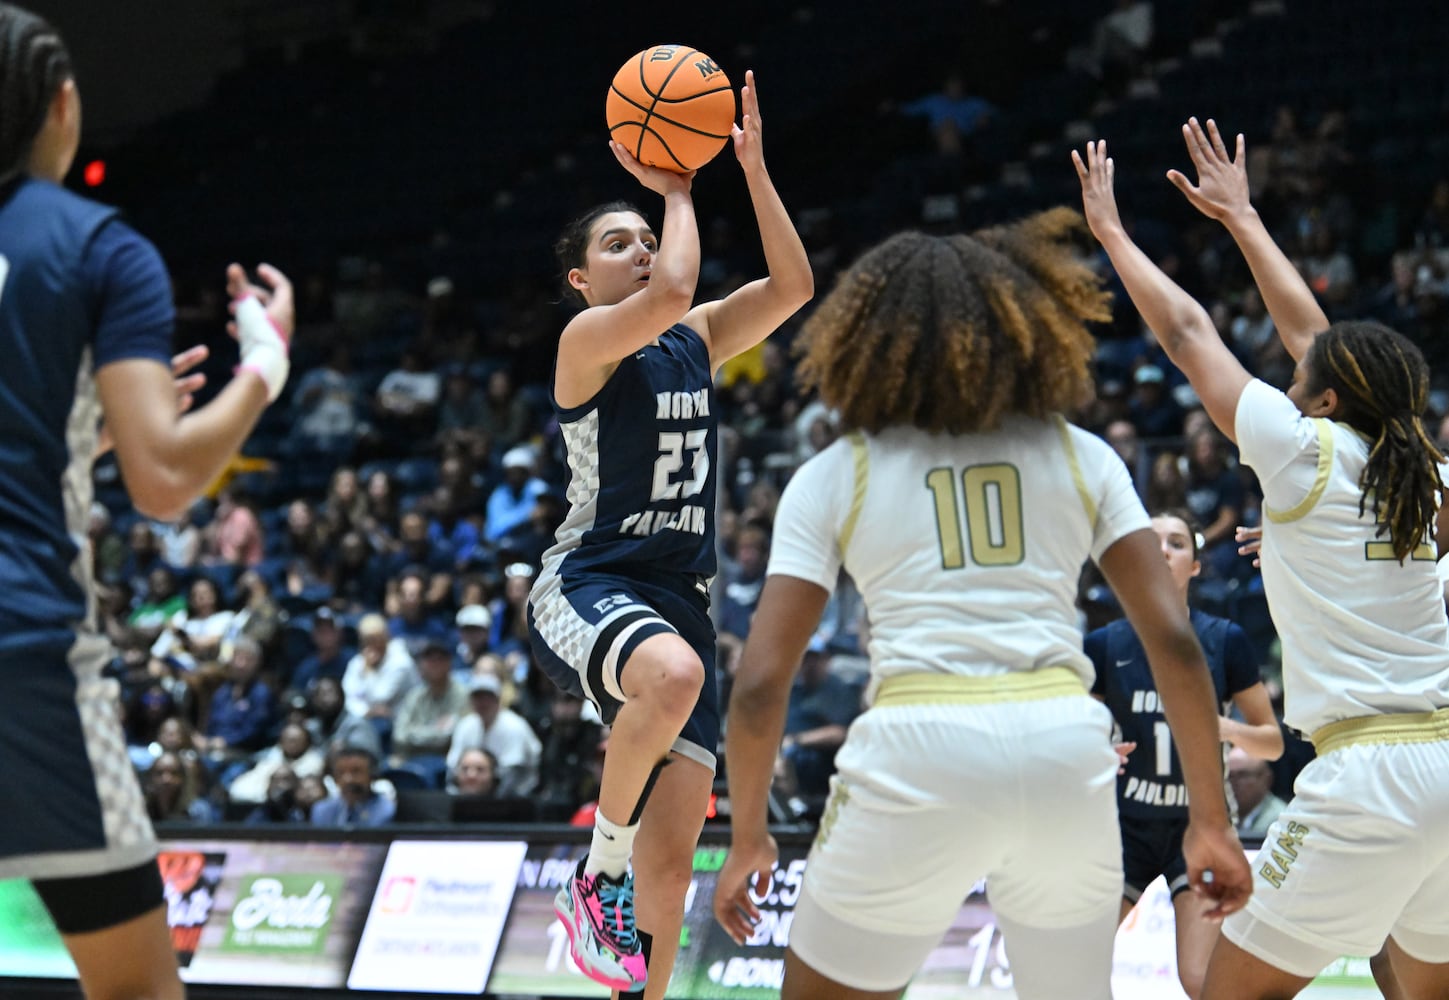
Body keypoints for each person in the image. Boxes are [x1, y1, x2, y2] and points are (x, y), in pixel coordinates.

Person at [712, 210, 1249, 1000]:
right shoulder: (1080, 453)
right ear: (1018, 328)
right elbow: (1173, 645)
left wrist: (748, 835)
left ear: (866, 340)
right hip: (1063, 746)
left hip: (915, 746)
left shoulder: (838, 471)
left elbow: (760, 686)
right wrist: (1211, 815)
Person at [1076, 120, 1449, 1000]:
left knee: (1227, 995)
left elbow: (1187, 332)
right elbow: (1322, 341)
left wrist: (1114, 236)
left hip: (1369, 776)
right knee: (1412, 980)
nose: (1286, 383)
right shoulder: (1426, 470)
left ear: (1324, 399)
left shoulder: (1304, 451)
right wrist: (1242, 220)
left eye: (1300, 381)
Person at [0, 8, 295, 1000]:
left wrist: (82, 427)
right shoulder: (94, 245)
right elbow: (164, 481)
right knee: (135, 989)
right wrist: (263, 362)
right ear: (64, 106)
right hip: (22, 655)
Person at [527, 70, 813, 995]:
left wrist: (755, 170)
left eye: (649, 239)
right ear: (581, 282)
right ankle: (592, 874)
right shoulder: (585, 347)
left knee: (675, 853)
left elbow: (794, 285)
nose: (644, 252)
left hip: (678, 599)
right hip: (590, 579)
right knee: (676, 679)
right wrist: (680, 187)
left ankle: (631, 938)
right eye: (620, 245)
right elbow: (675, 284)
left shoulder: (691, 337)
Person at [1086, 509, 1284, 999]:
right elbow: (1074, 737)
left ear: (1194, 566)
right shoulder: (1102, 645)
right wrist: (1095, 752)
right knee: (1075, 969)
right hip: (1120, 826)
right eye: (1151, 543)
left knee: (1202, 980)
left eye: (1176, 543)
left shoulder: (1224, 640)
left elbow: (1272, 742)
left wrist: (1218, 726)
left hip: (1200, 824)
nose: (1163, 551)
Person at [445, 673, 541, 797]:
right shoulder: (465, 725)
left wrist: (491, 804)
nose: (482, 702)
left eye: (487, 697)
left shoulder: (514, 726)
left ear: (498, 699)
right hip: (478, 792)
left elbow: (512, 774)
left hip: (519, 793)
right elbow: (453, 768)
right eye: (477, 697)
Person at [310, 746, 395, 827]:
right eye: (341, 772)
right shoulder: (322, 810)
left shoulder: (386, 809)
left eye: (356, 772)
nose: (348, 780)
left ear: (372, 775)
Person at [1227, 747, 1287, 839]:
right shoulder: (1218, 814)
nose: (1234, 783)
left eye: (1243, 775)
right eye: (1229, 776)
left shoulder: (1281, 819)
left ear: (1267, 779)